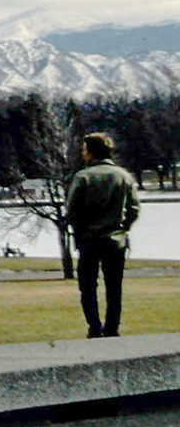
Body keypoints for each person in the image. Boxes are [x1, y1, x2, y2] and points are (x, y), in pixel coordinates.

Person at [66, 132, 140, 338]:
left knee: (88, 287)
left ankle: (94, 326)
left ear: (90, 152)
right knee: (114, 288)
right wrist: (123, 228)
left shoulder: (83, 177)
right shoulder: (124, 176)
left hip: (89, 240)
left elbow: (72, 211)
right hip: (115, 239)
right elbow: (134, 209)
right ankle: (112, 327)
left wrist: (81, 231)